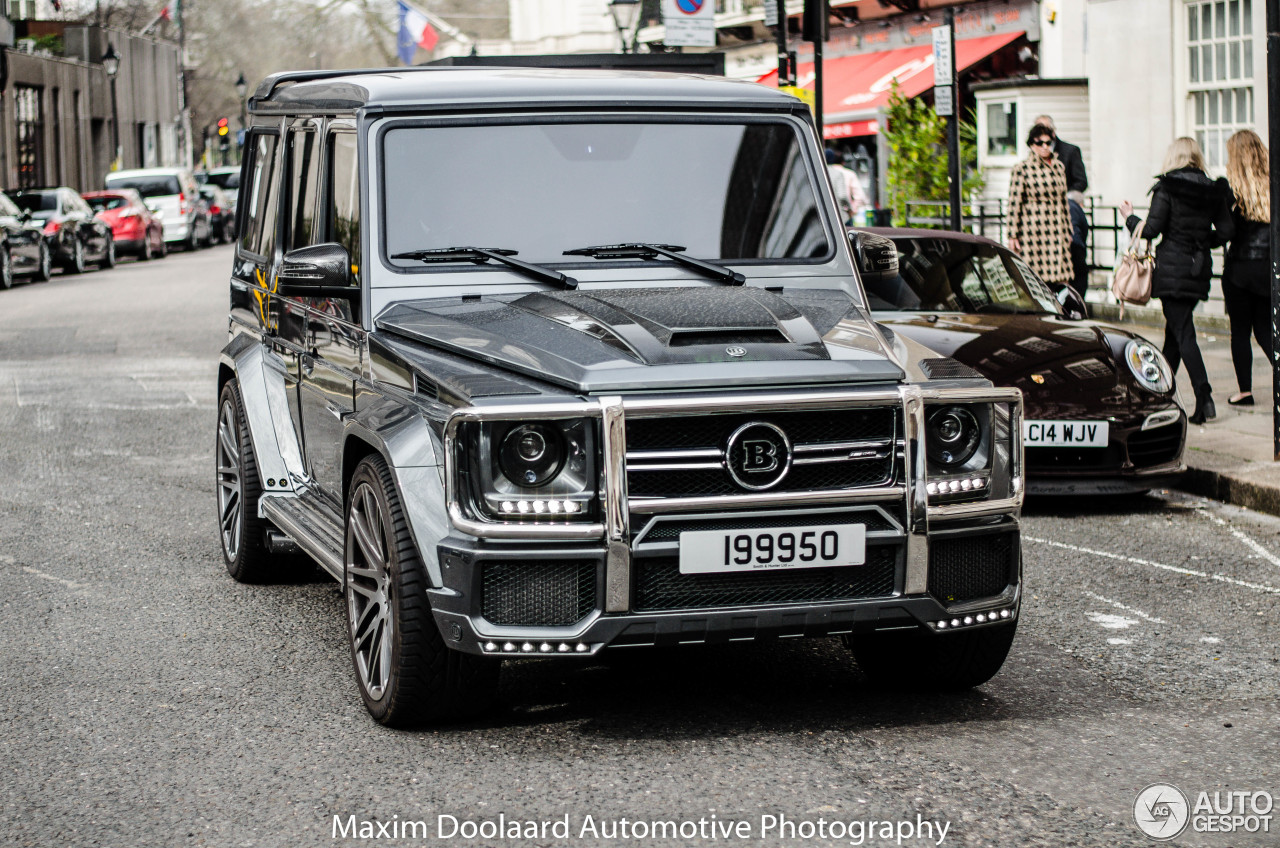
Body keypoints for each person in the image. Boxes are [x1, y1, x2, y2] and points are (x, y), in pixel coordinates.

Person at [1120, 137, 1234, 424]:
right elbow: (1226, 230)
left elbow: (1152, 230)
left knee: (1183, 334)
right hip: (1198, 267)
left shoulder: (1168, 186)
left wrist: (1129, 217)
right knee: (1174, 336)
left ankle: (1203, 394)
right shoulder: (1212, 191)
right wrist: (1201, 241)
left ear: (1173, 157)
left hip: (1172, 268)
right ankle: (1156, 396)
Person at [1221, 129, 1272, 406]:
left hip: (1239, 271)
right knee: (1265, 328)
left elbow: (1226, 231)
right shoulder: (1272, 186)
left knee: (1240, 331)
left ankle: (1245, 391)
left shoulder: (1231, 191)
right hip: (1267, 270)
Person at [1006, 124, 1073, 289]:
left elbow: (1064, 201)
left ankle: (1060, 311)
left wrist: (1068, 229)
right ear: (1031, 145)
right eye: (1039, 143)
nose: (1045, 147)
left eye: (1048, 142)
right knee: (1035, 278)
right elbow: (1014, 203)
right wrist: (1012, 235)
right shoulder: (1022, 169)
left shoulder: (1058, 167)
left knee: (1061, 277)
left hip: (1057, 228)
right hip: (1035, 231)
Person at [1035, 115, 1091, 298]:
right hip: (1042, 224)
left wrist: (1063, 199)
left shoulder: (1069, 151)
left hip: (1067, 213)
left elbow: (1081, 181)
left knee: (1075, 258)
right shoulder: (1031, 161)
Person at [826, 147, 870, 225]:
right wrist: (851, 210)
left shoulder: (822, 173)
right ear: (843, 162)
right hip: (842, 216)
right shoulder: (846, 174)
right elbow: (858, 196)